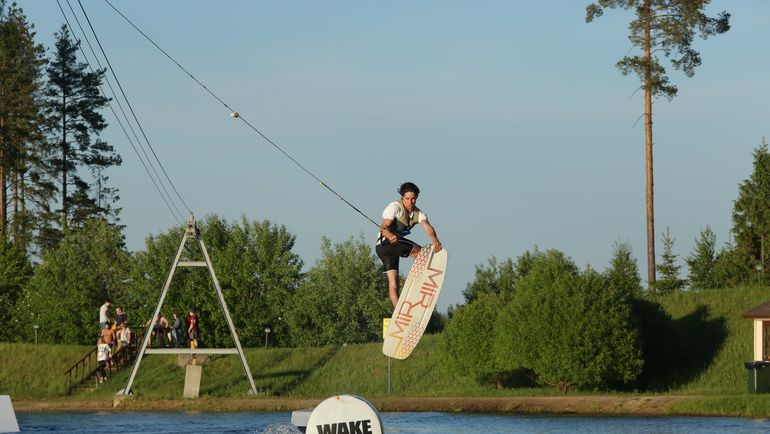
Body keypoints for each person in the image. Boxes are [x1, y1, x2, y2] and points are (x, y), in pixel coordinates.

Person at [376, 182, 441, 308]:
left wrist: (435, 240)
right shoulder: (395, 207)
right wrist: (390, 235)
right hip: (387, 243)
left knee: (394, 282)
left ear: (416, 198)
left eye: (413, 199)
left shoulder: (418, 213)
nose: (410, 202)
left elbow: (428, 227)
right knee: (422, 253)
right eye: (407, 199)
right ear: (402, 197)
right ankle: (416, 284)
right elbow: (383, 227)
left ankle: (398, 311)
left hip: (384, 249)